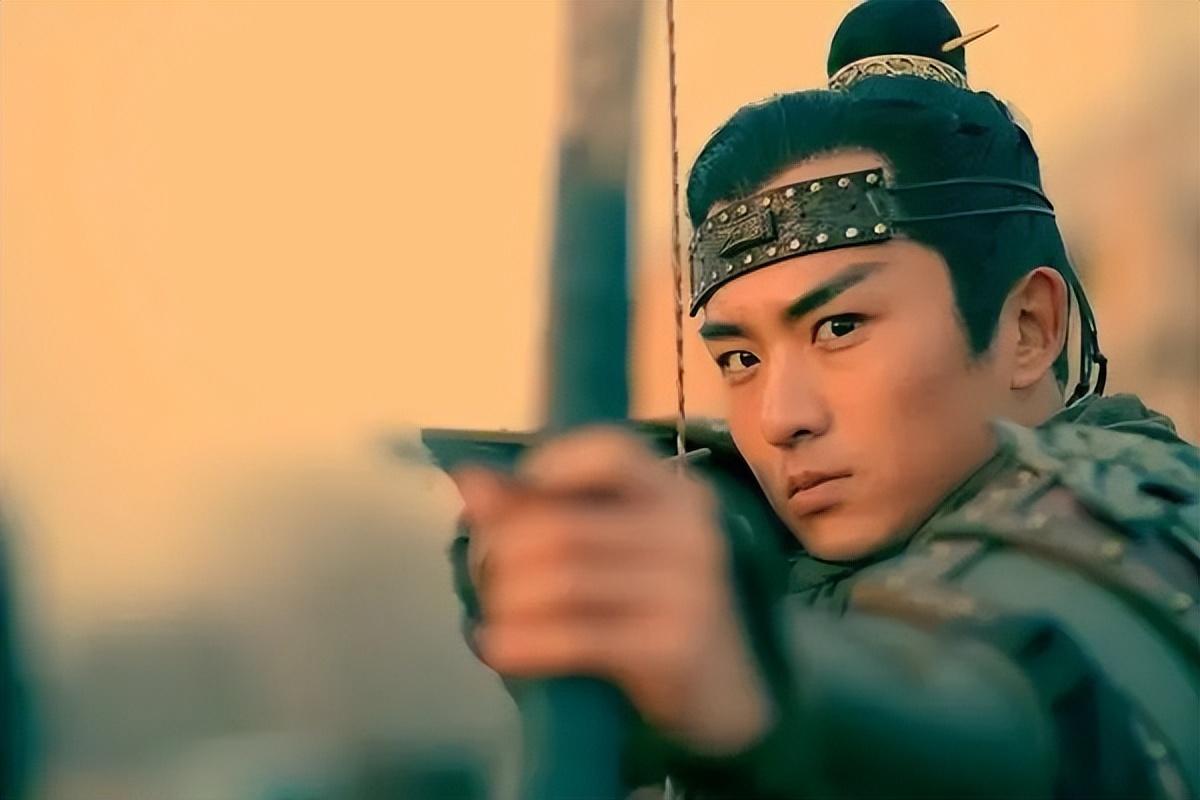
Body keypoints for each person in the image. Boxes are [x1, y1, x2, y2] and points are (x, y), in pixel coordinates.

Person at [448, 1, 1199, 796]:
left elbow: (1016, 706)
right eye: (741, 358)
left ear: (1027, 328)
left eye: (840, 328)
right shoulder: (777, 531)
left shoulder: (1146, 519)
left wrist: (760, 681)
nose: (782, 418)